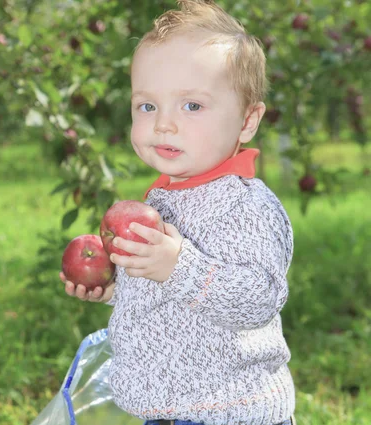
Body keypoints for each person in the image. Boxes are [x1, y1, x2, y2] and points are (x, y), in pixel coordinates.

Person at [59, 1, 297, 424]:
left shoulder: (246, 205)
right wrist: (119, 290)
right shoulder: (161, 201)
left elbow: (260, 297)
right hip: (168, 410)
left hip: (230, 411)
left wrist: (177, 266)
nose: (163, 124)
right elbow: (178, 302)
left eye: (191, 106)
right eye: (147, 106)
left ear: (247, 121)